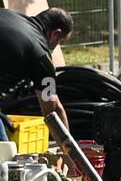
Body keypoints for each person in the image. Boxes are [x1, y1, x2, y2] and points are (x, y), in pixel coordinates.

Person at [0, 7, 73, 140]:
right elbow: (52, 111)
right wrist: (68, 151)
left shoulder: (9, 14)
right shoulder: (42, 57)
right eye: (59, 42)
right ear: (56, 34)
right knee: (4, 150)